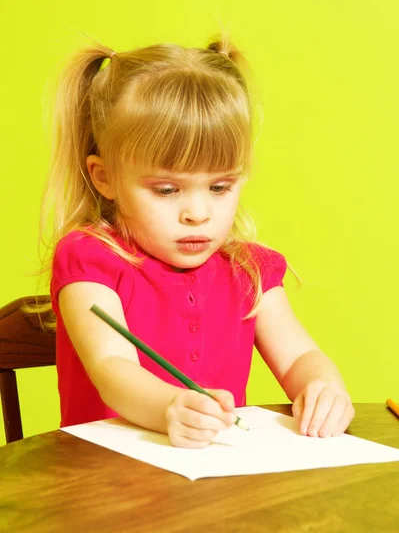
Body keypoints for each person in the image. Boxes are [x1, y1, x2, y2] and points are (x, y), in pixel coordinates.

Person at [41, 35, 354, 448]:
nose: (198, 213)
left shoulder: (251, 271)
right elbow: (112, 366)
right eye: (168, 190)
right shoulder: (89, 259)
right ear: (105, 177)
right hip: (105, 489)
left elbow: (298, 357)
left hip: (213, 488)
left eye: (220, 186)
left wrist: (324, 387)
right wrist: (169, 406)